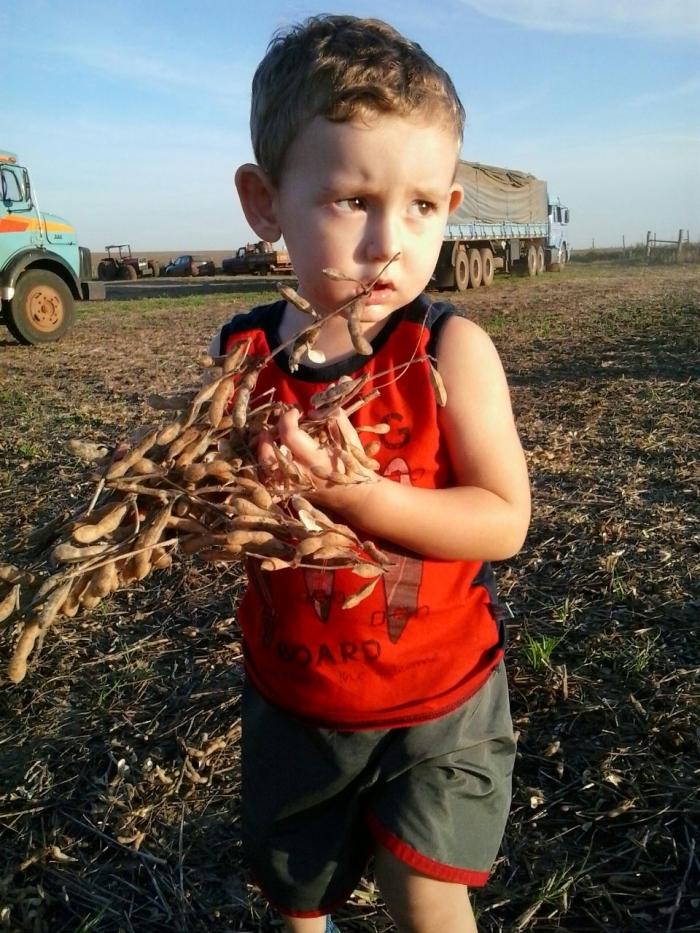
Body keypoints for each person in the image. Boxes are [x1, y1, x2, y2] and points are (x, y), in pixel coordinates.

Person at [209, 14, 531, 933]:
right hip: (297, 695)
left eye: (422, 205)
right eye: (353, 200)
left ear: (451, 206)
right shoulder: (240, 358)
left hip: (440, 703)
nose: (390, 239)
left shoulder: (448, 351)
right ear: (266, 203)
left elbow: (503, 519)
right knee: (300, 902)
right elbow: (228, 495)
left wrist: (361, 499)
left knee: (425, 891)